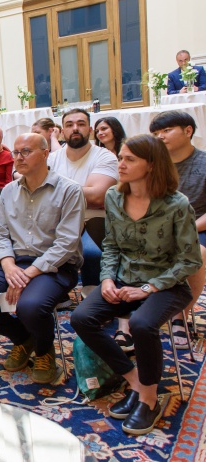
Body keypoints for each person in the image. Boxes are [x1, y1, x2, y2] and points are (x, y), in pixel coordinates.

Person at [71, 135, 201, 436]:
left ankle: (150, 397)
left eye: (129, 159)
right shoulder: (115, 197)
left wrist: (149, 288)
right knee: (81, 318)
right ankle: (134, 380)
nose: (121, 164)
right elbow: (113, 246)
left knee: (142, 324)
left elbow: (190, 260)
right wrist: (106, 279)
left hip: (167, 284)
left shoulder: (176, 204)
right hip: (124, 280)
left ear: (152, 165)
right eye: (121, 158)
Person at [0, 133, 85, 384]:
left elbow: (66, 243)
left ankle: (44, 349)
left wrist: (28, 274)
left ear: (45, 153)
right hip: (12, 261)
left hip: (54, 265)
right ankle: (23, 338)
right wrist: (8, 265)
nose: (18, 158)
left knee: (30, 305)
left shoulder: (69, 190)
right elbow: (0, 233)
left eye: (26, 151)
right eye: (16, 153)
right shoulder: (8, 190)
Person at [150, 111, 206, 348]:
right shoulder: (151, 165)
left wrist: (184, 229)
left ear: (188, 131)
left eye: (166, 130)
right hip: (156, 228)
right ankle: (130, 314)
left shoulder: (203, 163)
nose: (160, 137)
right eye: (156, 133)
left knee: (197, 254)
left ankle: (180, 316)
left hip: (197, 227)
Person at [47, 108, 118, 293]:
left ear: (90, 130)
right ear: (62, 132)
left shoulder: (104, 156)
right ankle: (56, 295)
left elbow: (97, 196)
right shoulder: (52, 159)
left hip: (93, 222)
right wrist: (81, 190)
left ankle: (93, 299)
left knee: (91, 254)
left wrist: (56, 190)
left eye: (81, 124)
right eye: (69, 125)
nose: (75, 128)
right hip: (56, 221)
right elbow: (39, 194)